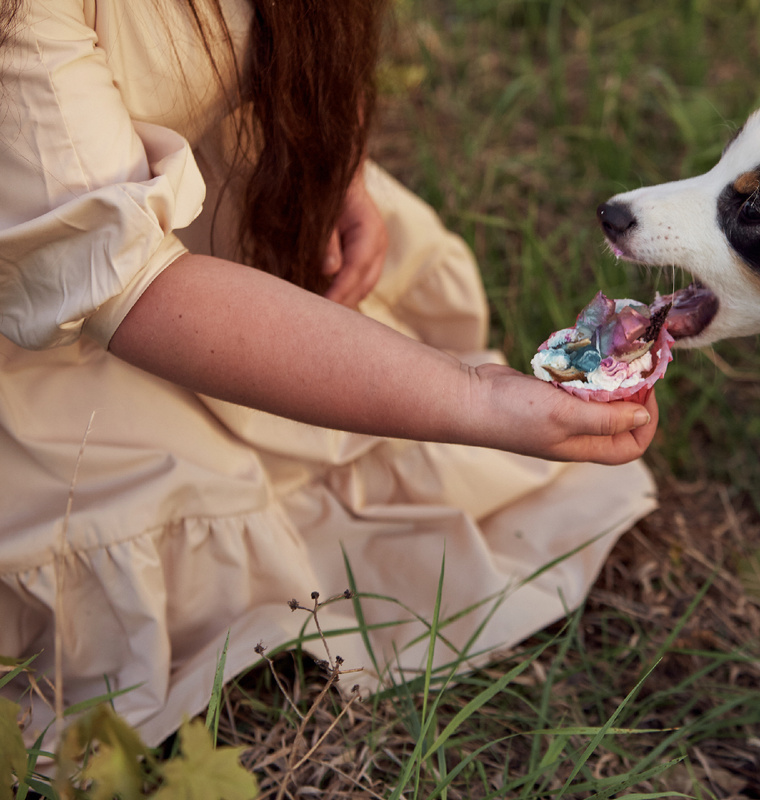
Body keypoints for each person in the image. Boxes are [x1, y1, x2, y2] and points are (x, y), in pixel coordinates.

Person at [0, 0, 659, 747]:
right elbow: (128, 287)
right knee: (163, 510)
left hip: (193, 208)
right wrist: (470, 399)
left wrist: (327, 157)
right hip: (46, 294)